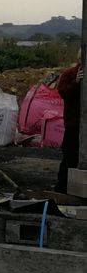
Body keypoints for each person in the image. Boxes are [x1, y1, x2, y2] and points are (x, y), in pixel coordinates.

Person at [55, 61, 80, 193]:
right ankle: (62, 189)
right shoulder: (70, 74)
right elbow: (63, 92)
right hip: (74, 124)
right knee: (70, 157)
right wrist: (76, 83)